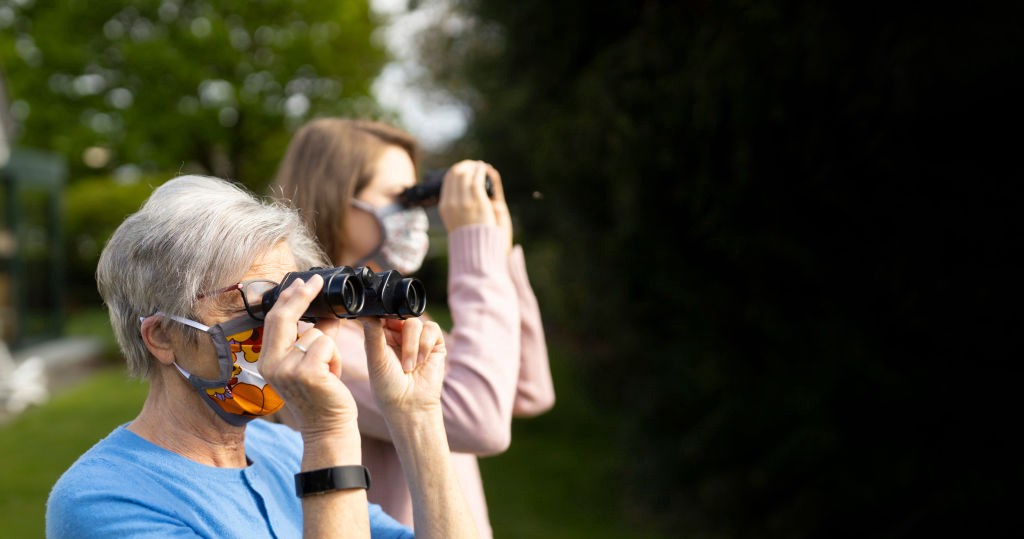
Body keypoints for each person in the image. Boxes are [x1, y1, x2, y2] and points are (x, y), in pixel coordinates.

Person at [45, 175, 478, 538]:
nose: (282, 326)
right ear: (162, 336)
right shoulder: (102, 498)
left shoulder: (284, 450)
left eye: (293, 301)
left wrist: (416, 416)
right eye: (254, 303)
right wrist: (328, 437)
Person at [271, 118, 555, 537]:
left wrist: (497, 251)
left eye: (417, 197)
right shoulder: (314, 340)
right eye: (399, 198)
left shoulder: (388, 320)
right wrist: (476, 252)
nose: (416, 214)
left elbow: (529, 390)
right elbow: (482, 421)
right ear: (336, 199)